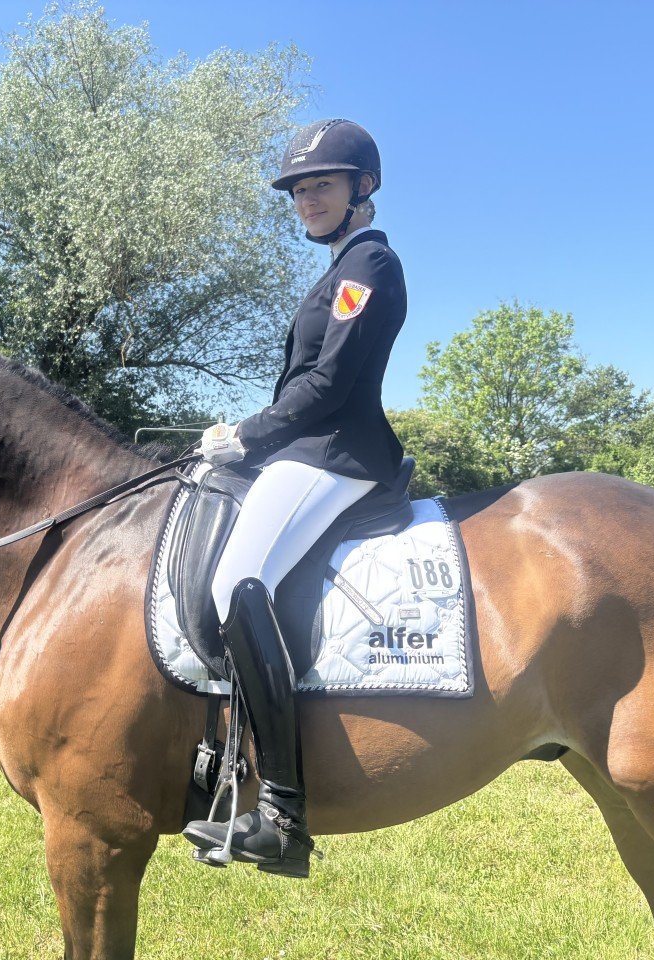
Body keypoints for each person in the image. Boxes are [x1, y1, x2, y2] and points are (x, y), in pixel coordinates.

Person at [182, 118, 408, 878]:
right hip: (307, 447)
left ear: (361, 187)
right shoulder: (338, 268)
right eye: (299, 189)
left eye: (322, 185)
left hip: (337, 454)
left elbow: (330, 384)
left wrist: (248, 432)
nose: (306, 199)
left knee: (234, 583)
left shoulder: (368, 264)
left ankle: (281, 810)